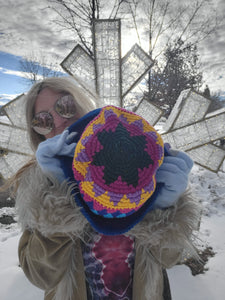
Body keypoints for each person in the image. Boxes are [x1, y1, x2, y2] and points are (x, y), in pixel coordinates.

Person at [7, 77, 200, 300]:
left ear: (81, 103)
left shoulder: (133, 160)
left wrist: (165, 208)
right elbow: (40, 276)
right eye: (43, 120)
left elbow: (168, 259)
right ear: (38, 133)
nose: (59, 121)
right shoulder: (35, 184)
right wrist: (57, 195)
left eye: (65, 106)